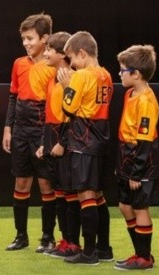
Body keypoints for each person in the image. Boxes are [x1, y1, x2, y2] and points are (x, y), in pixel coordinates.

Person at [2, 13, 57, 252]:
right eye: (23, 38)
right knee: (21, 182)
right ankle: (21, 236)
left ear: (45, 38)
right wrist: (8, 128)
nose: (26, 43)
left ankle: (48, 238)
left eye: (30, 38)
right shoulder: (19, 64)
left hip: (43, 130)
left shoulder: (53, 65)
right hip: (21, 131)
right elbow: (13, 97)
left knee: (46, 185)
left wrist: (49, 136)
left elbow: (55, 104)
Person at [57, 31, 113, 265]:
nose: (71, 64)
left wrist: (67, 85)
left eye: (72, 59)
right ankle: (103, 248)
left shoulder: (80, 76)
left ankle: (89, 252)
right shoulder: (107, 75)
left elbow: (68, 109)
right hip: (101, 138)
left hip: (83, 139)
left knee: (86, 195)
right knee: (98, 195)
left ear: (82, 53)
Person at [35, 31, 83, 259]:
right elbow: (49, 115)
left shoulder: (73, 78)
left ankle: (73, 243)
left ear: (63, 53)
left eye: (49, 50)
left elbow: (75, 116)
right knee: (59, 195)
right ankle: (64, 240)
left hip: (66, 142)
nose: (44, 53)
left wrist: (63, 142)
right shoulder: (52, 78)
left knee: (70, 194)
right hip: (51, 141)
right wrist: (44, 143)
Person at [113, 45, 159, 271]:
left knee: (140, 207)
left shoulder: (147, 101)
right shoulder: (130, 94)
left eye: (122, 70)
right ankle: (141, 253)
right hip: (126, 155)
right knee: (124, 205)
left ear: (136, 74)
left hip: (142, 159)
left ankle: (144, 258)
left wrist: (136, 172)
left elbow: (145, 141)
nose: (119, 74)